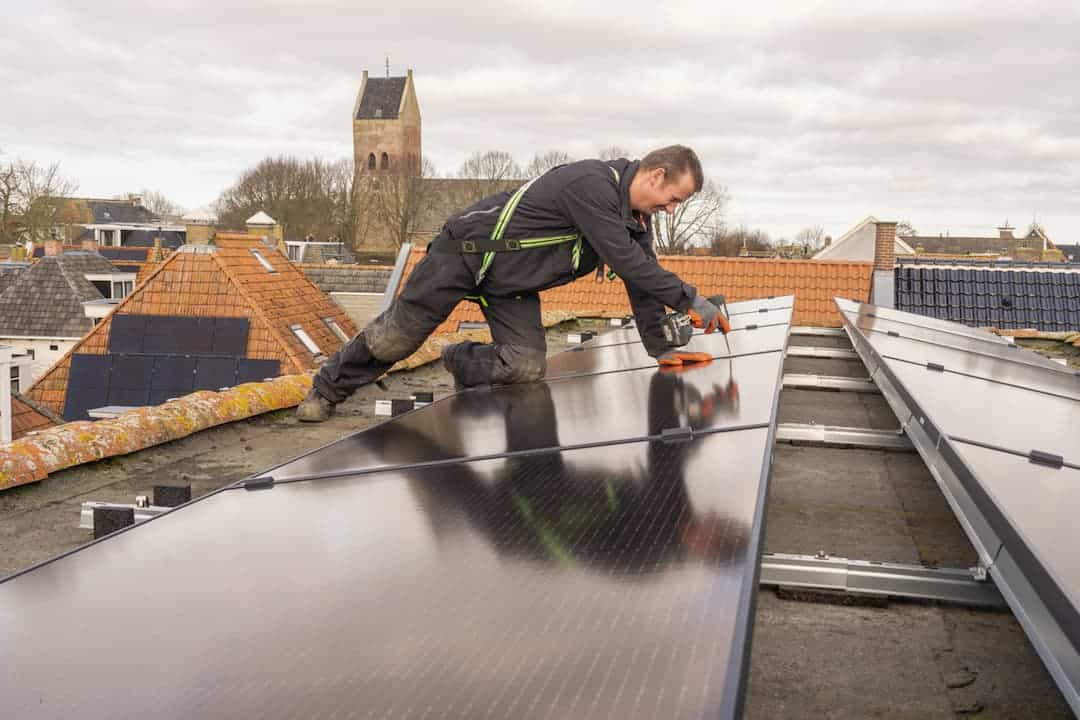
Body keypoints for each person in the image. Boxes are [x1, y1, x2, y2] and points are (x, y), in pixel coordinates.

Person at [297, 144, 729, 422]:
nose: (672, 210)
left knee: (525, 366)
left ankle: (459, 360)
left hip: (512, 284)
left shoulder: (634, 220)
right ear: (656, 176)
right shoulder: (592, 185)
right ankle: (326, 389)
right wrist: (691, 298)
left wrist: (661, 348)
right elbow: (629, 263)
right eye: (674, 199)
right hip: (464, 254)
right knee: (395, 339)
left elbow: (641, 281)